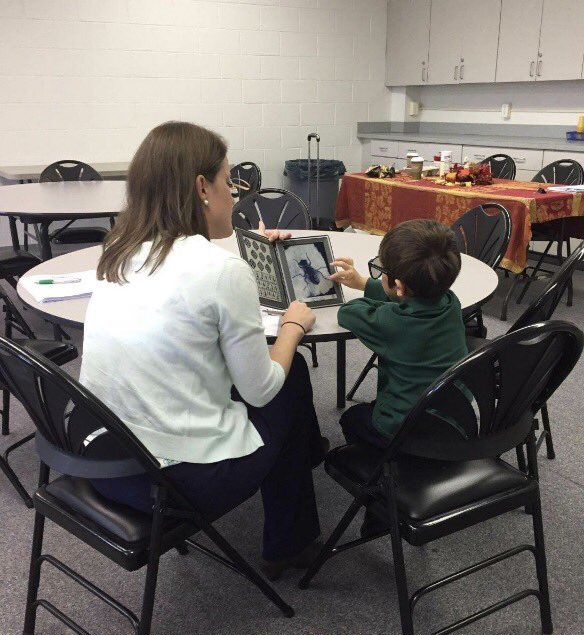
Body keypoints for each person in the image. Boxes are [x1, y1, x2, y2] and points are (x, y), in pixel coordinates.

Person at [80, 121, 325, 580]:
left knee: (272, 381)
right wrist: (292, 326)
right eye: (228, 182)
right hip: (168, 479)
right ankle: (289, 540)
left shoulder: (118, 248)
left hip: (101, 455)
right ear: (202, 188)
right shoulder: (220, 271)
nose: (233, 196)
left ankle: (306, 458)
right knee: (287, 381)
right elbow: (259, 391)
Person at [329, 219, 468, 450]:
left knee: (352, 419)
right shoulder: (450, 301)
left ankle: (389, 468)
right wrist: (363, 282)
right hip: (453, 421)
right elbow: (406, 297)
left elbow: (348, 313)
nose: (378, 273)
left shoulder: (390, 321)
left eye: (380, 269)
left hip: (403, 429)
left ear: (399, 286)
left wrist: (371, 293)